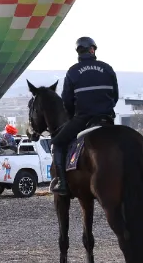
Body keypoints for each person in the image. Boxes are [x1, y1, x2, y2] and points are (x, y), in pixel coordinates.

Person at [50, 37, 119, 196]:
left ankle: (62, 183)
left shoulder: (73, 71)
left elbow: (66, 100)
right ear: (92, 50)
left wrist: (72, 115)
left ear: (78, 52)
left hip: (83, 119)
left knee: (58, 143)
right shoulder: (107, 68)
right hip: (106, 118)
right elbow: (115, 96)